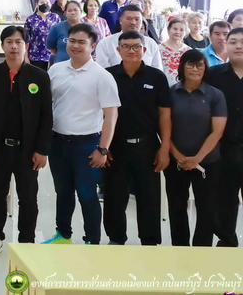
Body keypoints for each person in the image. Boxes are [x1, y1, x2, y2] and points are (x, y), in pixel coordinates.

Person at [0, 26, 52, 260]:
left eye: (18, 42)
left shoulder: (39, 76)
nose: (13, 46)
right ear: (2, 46)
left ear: (26, 46)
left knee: (28, 196)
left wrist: (42, 149)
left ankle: (26, 240)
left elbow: (46, 116)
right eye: (9, 42)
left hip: (28, 150)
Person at [43, 24, 120, 246]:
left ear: (92, 46)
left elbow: (111, 115)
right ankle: (63, 234)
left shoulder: (102, 76)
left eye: (82, 42)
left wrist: (103, 149)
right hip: (58, 143)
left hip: (87, 144)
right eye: (72, 41)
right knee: (63, 192)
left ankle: (92, 241)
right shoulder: (55, 70)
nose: (75, 46)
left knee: (87, 195)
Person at [102, 30, 172, 246]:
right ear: (118, 50)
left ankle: (150, 242)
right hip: (116, 147)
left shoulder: (156, 77)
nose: (131, 50)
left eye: (136, 47)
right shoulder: (108, 75)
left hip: (148, 146)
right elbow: (99, 113)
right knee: (114, 196)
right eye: (126, 46)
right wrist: (103, 145)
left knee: (149, 197)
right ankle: (116, 239)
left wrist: (164, 148)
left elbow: (164, 114)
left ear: (145, 49)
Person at [165, 50, 227, 246]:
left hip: (207, 162)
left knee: (206, 208)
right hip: (176, 162)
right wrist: (178, 156)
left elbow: (217, 131)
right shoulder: (171, 93)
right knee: (177, 206)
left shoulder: (215, 95)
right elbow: (163, 128)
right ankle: (180, 247)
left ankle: (202, 249)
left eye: (199, 65)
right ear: (182, 67)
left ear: (205, 68)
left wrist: (197, 158)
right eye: (190, 64)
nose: (195, 69)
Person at [206, 28, 243, 247]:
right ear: (225, 46)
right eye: (233, 42)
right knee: (225, 199)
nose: (238, 46)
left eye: (242, 42)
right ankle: (227, 241)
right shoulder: (213, 75)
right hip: (224, 148)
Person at [94, 5, 163, 70]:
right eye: (129, 19)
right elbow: (102, 72)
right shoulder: (105, 43)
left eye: (137, 19)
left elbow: (157, 71)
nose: (133, 22)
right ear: (120, 20)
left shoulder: (151, 43)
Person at [23, 0, 59, 70]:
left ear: (51, 5)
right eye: (42, 2)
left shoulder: (55, 17)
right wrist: (25, 57)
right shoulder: (30, 19)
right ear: (37, 4)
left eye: (47, 2)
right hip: (35, 57)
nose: (44, 4)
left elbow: (59, 36)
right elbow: (25, 40)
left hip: (52, 56)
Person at [46, 0, 85, 64]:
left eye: (75, 10)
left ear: (81, 11)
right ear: (65, 13)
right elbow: (51, 46)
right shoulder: (57, 27)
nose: (73, 13)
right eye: (69, 10)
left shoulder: (88, 28)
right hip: (61, 64)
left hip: (82, 64)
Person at [160, 18, 189, 82]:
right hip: (163, 84)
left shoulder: (189, 51)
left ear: (185, 32)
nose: (178, 32)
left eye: (181, 30)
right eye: (175, 29)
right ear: (168, 30)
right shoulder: (159, 49)